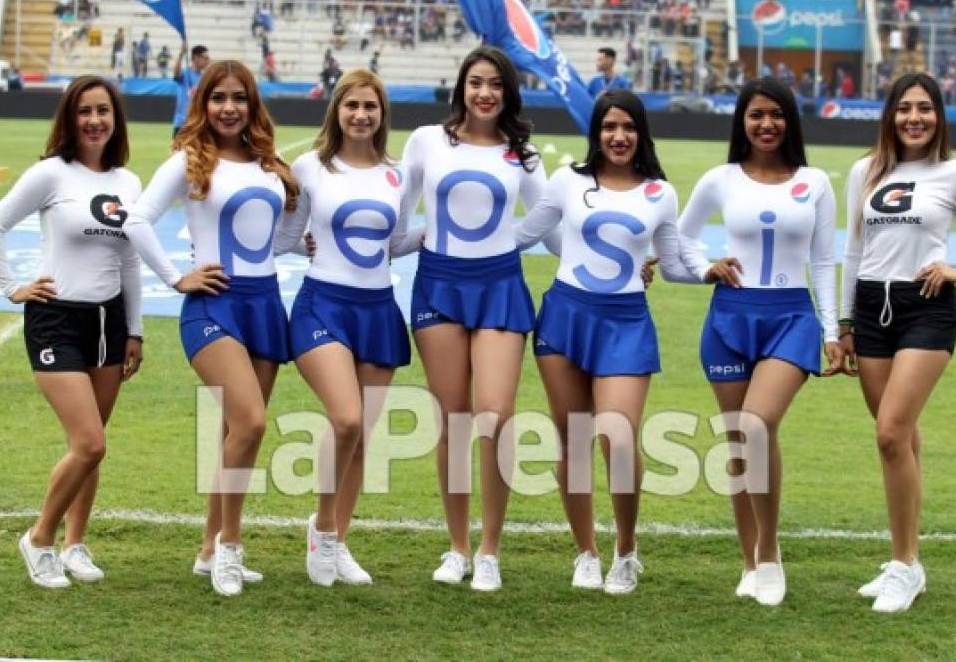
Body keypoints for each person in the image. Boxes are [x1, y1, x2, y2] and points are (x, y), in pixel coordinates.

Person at [840, 73, 956, 613]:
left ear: (939, 115)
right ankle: (908, 561)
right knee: (900, 437)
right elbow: (853, 250)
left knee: (892, 433)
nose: (914, 118)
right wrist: (846, 324)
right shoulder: (864, 171)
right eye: (904, 108)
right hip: (872, 310)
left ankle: (904, 565)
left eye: (924, 108)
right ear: (890, 115)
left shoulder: (954, 173)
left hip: (928, 306)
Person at [123, 60, 300, 597]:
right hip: (212, 306)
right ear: (204, 104)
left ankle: (207, 550)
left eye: (239, 98)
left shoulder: (271, 162)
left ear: (253, 104)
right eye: (218, 97)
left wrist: (297, 243)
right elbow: (135, 219)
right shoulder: (188, 159)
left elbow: (288, 227)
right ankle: (230, 546)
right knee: (250, 424)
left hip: (264, 304)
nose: (229, 107)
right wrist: (178, 277)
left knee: (234, 434)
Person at [513, 89, 700, 595]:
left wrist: (713, 271)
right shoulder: (567, 181)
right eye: (609, 127)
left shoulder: (659, 192)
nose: (619, 136)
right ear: (596, 132)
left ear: (641, 133)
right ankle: (585, 553)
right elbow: (523, 235)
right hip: (564, 318)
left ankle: (625, 549)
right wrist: (445, 238)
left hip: (624, 322)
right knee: (572, 440)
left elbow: (676, 261)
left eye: (629, 127)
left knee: (617, 438)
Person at [676, 77, 846, 607]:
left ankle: (769, 554)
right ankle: (748, 560)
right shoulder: (720, 178)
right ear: (741, 122)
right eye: (755, 115)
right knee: (738, 444)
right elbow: (679, 237)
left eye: (775, 114)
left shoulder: (815, 181)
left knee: (756, 426)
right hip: (729, 316)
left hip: (791, 317)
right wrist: (705, 266)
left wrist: (832, 330)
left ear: (789, 121)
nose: (766, 124)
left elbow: (823, 260)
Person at [0, 76, 143, 589]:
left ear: (115, 118)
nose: (94, 120)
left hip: (109, 322)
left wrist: (134, 331)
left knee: (92, 442)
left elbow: (131, 259)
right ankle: (40, 539)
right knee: (89, 443)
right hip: (57, 318)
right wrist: (12, 288)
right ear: (70, 118)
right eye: (84, 111)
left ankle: (75, 545)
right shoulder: (51, 174)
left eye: (103, 111)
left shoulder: (129, 182)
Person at [400, 45, 547, 591]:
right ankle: (458, 546)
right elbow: (400, 213)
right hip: (437, 284)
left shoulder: (523, 155)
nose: (485, 93)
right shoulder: (426, 141)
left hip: (500, 287)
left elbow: (552, 221)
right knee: (452, 421)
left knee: (496, 415)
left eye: (496, 85)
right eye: (476, 82)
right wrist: (361, 243)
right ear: (461, 86)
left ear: (508, 93)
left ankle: (491, 550)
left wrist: (628, 261)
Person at [274, 68, 419, 588]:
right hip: (322, 305)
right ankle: (322, 527)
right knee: (347, 420)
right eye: (352, 105)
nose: (361, 115)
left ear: (382, 115)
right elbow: (283, 235)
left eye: (370, 107)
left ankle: (338, 541)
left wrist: (434, 235)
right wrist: (298, 242)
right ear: (336, 110)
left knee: (361, 438)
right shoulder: (311, 166)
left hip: (378, 309)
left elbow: (395, 243)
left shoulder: (398, 175)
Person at [172, 44, 210, 138]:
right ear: (196, 58)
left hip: (197, 124)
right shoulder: (185, 73)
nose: (207, 61)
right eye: (205, 58)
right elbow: (176, 74)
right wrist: (181, 54)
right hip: (182, 123)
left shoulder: (205, 77)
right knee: (178, 152)